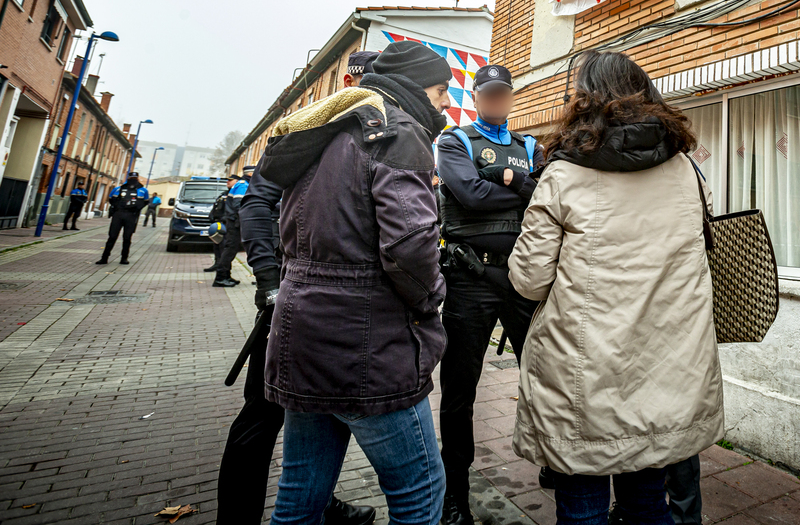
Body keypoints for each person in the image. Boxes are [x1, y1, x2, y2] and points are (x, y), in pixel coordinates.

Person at [507, 51, 724, 525]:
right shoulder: (687, 169)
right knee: (648, 502)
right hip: (665, 366)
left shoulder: (563, 175)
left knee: (582, 505)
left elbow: (528, 280)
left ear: (584, 102)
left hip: (585, 374)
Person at [255, 40, 452, 525]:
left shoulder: (324, 131)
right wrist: (431, 302)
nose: (447, 102)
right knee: (421, 491)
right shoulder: (399, 133)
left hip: (302, 334)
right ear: (416, 88)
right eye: (442, 90)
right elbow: (409, 245)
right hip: (367, 347)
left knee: (300, 492)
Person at [215, 182, 372, 525]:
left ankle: (318, 502)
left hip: (342, 295)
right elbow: (256, 204)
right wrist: (269, 281)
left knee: (323, 410)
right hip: (290, 292)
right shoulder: (302, 132)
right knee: (262, 414)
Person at [435, 64, 543, 525]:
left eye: (504, 95)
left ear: (511, 98)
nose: (497, 101)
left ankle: (556, 462)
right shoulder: (452, 141)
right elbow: (468, 195)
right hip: (469, 280)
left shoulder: (530, 146)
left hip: (522, 278)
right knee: (459, 391)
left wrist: (510, 182)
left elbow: (546, 196)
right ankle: (453, 492)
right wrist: (522, 190)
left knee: (543, 376)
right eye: (489, 94)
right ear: (476, 97)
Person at [97, 172, 150, 265]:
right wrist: (117, 207)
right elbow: (111, 199)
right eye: (131, 178)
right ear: (128, 178)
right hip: (118, 214)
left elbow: (145, 202)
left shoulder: (143, 190)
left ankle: (124, 258)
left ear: (137, 179)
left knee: (127, 238)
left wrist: (135, 208)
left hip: (131, 215)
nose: (133, 179)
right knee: (112, 237)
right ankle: (104, 258)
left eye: (134, 178)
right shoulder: (118, 189)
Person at [213, 167, 254, 288]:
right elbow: (238, 205)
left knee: (231, 248)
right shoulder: (243, 185)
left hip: (233, 221)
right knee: (230, 249)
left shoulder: (242, 183)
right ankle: (220, 277)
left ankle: (226, 275)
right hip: (234, 222)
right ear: (251, 174)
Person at [204, 177, 235, 273]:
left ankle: (223, 268)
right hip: (218, 223)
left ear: (236, 182)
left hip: (227, 224)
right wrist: (212, 216)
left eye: (231, 180)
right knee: (217, 245)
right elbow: (216, 207)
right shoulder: (224, 194)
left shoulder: (236, 194)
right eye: (228, 180)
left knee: (225, 247)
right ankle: (217, 263)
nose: (228, 182)